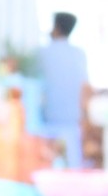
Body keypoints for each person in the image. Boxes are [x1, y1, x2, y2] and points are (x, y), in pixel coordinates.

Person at [34, 11, 88, 166]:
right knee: (73, 160)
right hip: (73, 119)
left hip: (49, 119)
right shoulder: (79, 54)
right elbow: (85, 88)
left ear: (56, 28)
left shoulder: (42, 53)